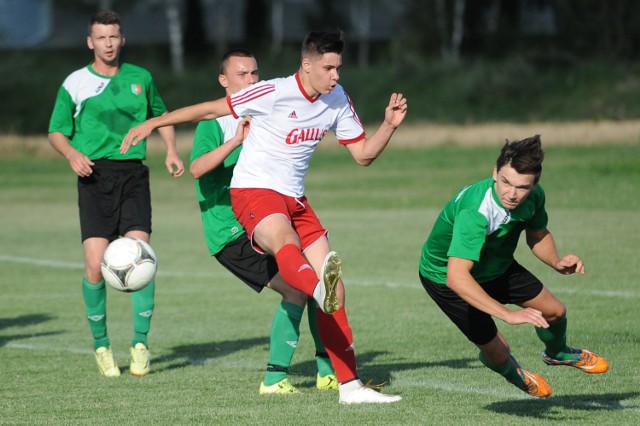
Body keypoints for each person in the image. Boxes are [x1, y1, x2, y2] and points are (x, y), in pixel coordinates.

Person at [122, 30, 407, 404]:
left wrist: (388, 125)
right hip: (253, 190)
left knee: (337, 289)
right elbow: (209, 109)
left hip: (295, 198)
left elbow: (363, 154)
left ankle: (350, 388)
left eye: (338, 66)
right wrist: (153, 124)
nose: (336, 75)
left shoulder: (337, 99)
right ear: (307, 65)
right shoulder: (272, 91)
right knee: (287, 244)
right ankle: (315, 289)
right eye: (328, 67)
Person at [190, 49, 337, 394]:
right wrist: (236, 141)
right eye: (242, 75)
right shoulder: (215, 123)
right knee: (297, 288)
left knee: (317, 283)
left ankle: (327, 372)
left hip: (269, 219)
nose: (251, 80)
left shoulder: (268, 109)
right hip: (231, 231)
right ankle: (274, 378)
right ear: (224, 81)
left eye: (255, 73)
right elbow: (196, 169)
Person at [47, 10, 184, 378]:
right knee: (95, 267)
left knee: (143, 259)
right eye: (101, 37)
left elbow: (162, 116)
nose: (108, 43)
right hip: (94, 177)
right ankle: (102, 346)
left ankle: (140, 344)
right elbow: (56, 132)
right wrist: (73, 154)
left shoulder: (141, 78)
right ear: (90, 42)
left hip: (134, 176)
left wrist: (171, 150)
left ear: (122, 39)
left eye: (114, 36)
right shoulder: (75, 83)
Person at [418, 135, 608, 398]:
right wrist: (507, 315)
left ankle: (557, 353)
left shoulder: (534, 196)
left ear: (534, 184)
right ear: (495, 172)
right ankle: (513, 373)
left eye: (522, 187)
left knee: (555, 312)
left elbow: (537, 233)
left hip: (496, 264)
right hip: (445, 276)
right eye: (506, 182)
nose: (512, 193)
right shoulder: (475, 212)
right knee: (498, 352)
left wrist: (556, 260)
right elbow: (457, 277)